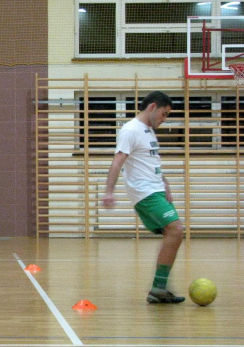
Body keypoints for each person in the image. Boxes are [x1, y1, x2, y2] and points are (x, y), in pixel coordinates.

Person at [102, 91, 185, 304]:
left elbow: (152, 161)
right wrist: (109, 192)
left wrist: (165, 183)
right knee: (175, 229)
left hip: (155, 190)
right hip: (144, 193)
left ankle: (159, 288)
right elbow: (118, 161)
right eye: (164, 114)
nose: (164, 119)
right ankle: (158, 287)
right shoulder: (131, 130)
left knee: (173, 232)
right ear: (152, 107)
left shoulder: (147, 131)